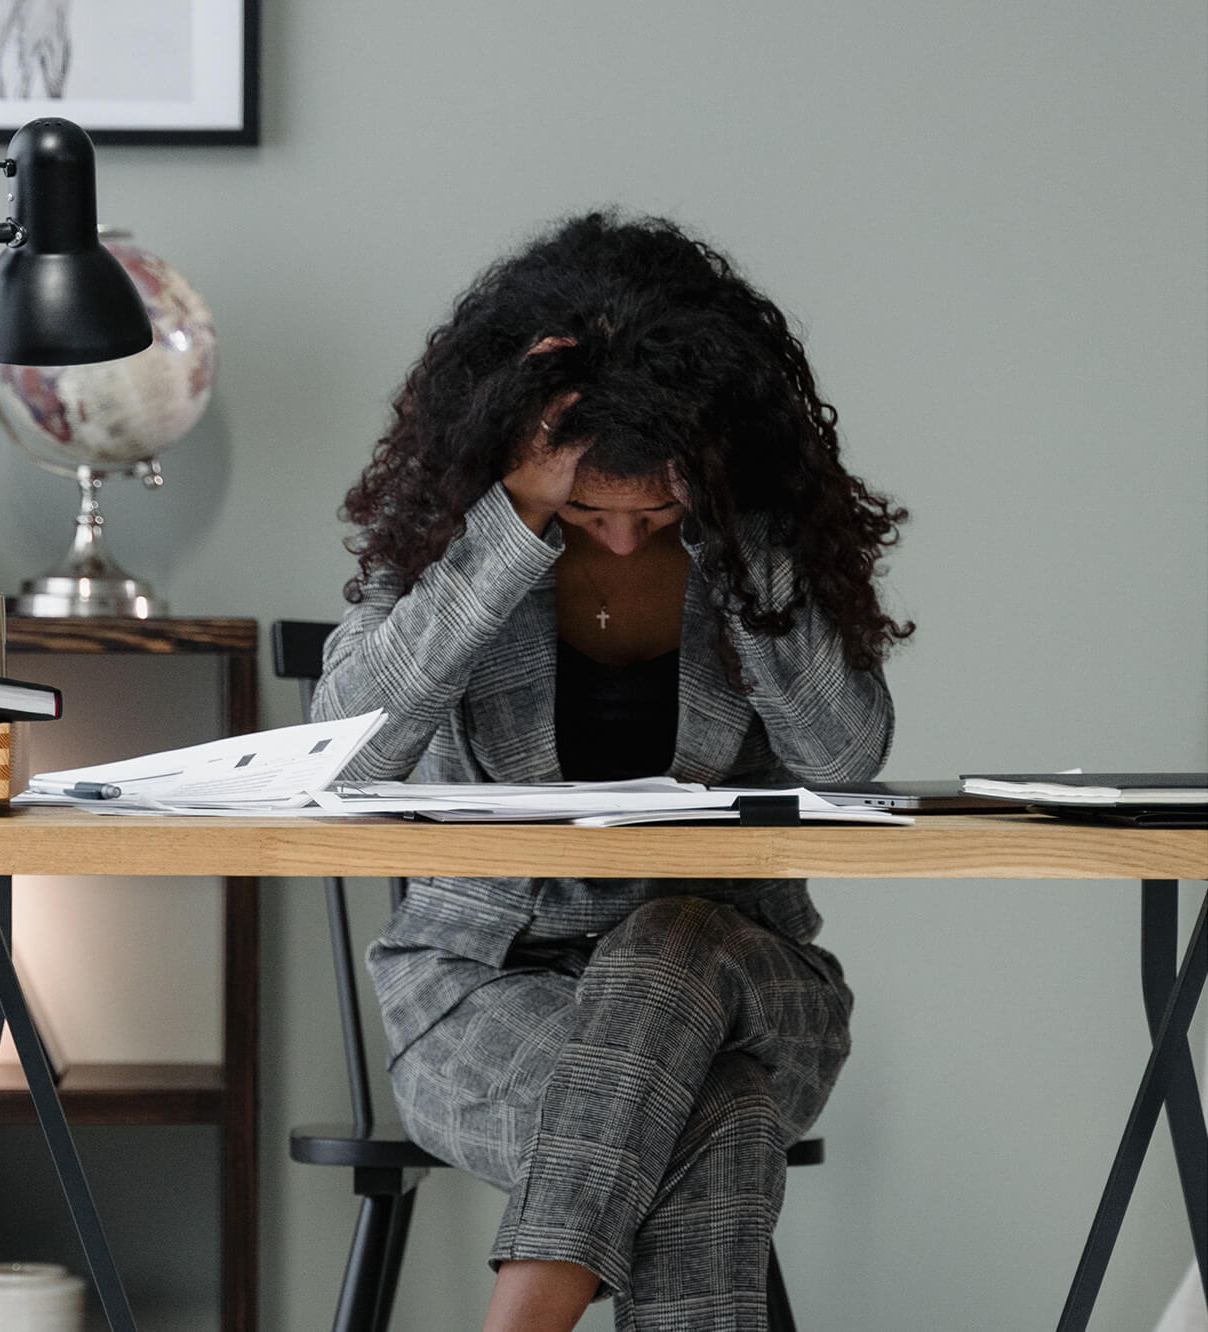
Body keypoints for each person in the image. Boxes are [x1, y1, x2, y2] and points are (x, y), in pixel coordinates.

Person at [312, 211, 913, 1331]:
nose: (627, 542)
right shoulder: (461, 528)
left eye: (660, 513)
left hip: (750, 987)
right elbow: (345, 741)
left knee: (671, 943)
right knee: (714, 1125)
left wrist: (734, 537)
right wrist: (511, 522)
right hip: (485, 997)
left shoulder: (746, 537)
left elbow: (845, 754)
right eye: (592, 510)